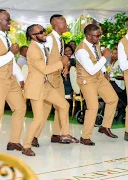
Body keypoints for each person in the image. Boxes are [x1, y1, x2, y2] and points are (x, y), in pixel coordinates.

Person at [22, 24, 75, 156]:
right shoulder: (33, 50)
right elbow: (44, 69)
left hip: (45, 85)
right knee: (38, 118)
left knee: (64, 105)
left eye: (44, 30)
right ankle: (26, 146)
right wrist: (62, 62)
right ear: (33, 36)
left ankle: (65, 134)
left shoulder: (42, 46)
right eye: (41, 32)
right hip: (36, 87)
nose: (45, 33)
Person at [32, 14, 78, 147]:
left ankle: (56, 135)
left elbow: (59, 56)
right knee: (54, 107)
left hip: (57, 77)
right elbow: (44, 59)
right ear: (56, 25)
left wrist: (65, 66)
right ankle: (63, 134)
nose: (67, 25)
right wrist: (45, 78)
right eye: (64, 22)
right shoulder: (50, 39)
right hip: (50, 78)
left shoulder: (60, 39)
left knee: (59, 107)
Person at [75, 24, 118, 146]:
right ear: (88, 36)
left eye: (100, 35)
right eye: (97, 36)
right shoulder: (81, 51)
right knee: (93, 107)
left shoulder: (96, 44)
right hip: (87, 80)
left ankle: (105, 127)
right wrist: (105, 57)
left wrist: (105, 72)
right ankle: (85, 137)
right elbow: (91, 70)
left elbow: (97, 59)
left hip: (99, 77)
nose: (99, 38)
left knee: (113, 99)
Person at [0, 9, 26, 153]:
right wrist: (11, 52)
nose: (10, 22)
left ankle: (14, 141)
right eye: (7, 20)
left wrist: (21, 77)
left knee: (20, 107)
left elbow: (11, 61)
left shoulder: (7, 38)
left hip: (10, 80)